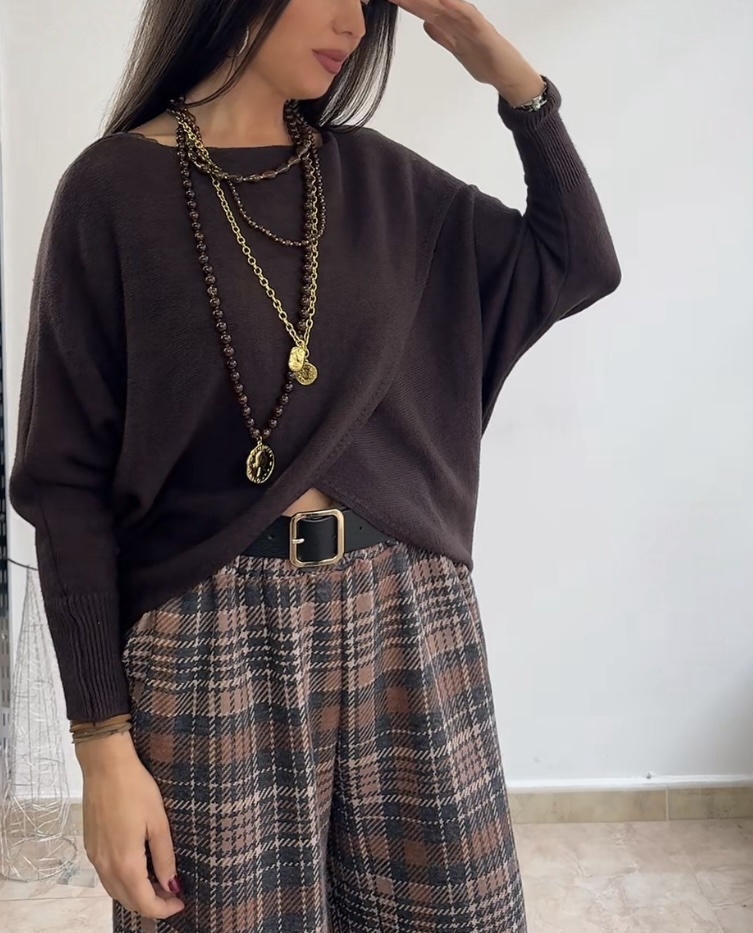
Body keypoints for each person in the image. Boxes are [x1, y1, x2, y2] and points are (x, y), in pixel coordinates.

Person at [9, 0, 621, 930]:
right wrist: (102, 748)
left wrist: (513, 82)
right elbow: (65, 486)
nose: (355, 25)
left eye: (370, 5)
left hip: (406, 614)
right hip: (209, 635)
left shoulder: (380, 181)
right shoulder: (111, 191)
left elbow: (575, 262)